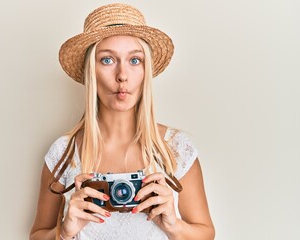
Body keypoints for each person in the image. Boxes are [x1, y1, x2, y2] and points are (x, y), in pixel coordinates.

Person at [30, 3, 215, 240]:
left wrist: (173, 225)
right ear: (91, 71)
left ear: (146, 69)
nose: (122, 75)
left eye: (135, 60)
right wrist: (64, 231)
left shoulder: (175, 149)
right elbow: (36, 235)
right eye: (107, 60)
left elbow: (206, 234)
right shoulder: (64, 153)